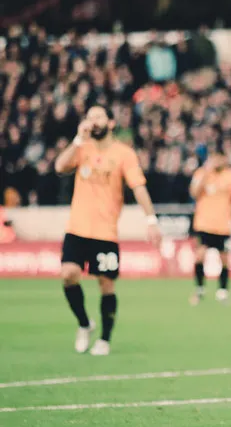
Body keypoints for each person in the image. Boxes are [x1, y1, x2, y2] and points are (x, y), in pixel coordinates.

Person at [54, 106, 161, 356]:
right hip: (77, 227)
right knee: (68, 274)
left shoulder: (124, 154)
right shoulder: (82, 148)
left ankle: (105, 339)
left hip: (105, 230)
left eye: (99, 116)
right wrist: (78, 139)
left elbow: (139, 187)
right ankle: (84, 323)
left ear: (111, 123)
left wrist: (151, 220)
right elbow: (60, 167)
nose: (94, 121)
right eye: (90, 117)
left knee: (106, 285)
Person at [188, 146, 231, 305]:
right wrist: (206, 173)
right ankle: (199, 289)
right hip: (203, 223)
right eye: (214, 157)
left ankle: (223, 292)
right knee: (200, 256)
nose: (218, 161)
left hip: (223, 225)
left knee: (224, 259)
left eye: (221, 158)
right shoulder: (201, 174)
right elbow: (194, 193)